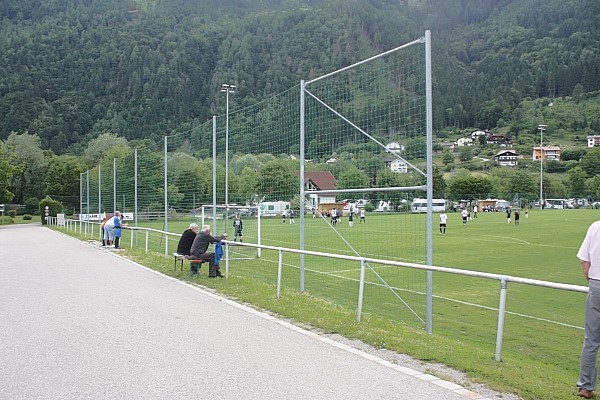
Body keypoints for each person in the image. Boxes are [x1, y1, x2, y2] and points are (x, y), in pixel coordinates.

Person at [576, 220, 600, 398]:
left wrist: (592, 283)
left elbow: (584, 261)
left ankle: (585, 386)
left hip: (596, 285)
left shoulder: (595, 226)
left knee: (591, 340)